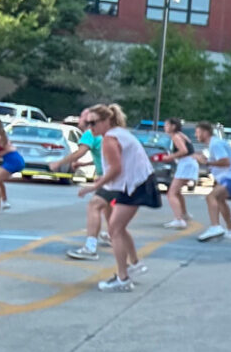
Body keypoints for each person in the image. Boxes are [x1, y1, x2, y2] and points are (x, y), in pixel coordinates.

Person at [76, 105, 158, 291]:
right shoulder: (118, 133)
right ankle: (135, 264)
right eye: (88, 123)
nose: (90, 127)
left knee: (115, 229)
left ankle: (123, 279)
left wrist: (94, 186)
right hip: (137, 182)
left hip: (135, 185)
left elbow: (116, 169)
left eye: (94, 123)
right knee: (118, 227)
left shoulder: (110, 139)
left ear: (107, 121)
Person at [61, 107, 112, 261]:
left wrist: (59, 163)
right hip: (111, 176)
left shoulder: (90, 134)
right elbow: (101, 157)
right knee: (107, 207)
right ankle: (113, 235)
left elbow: (80, 152)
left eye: (83, 116)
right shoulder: (105, 134)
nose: (80, 119)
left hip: (110, 177)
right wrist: (84, 165)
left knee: (94, 206)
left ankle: (90, 247)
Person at [195, 122, 231, 242]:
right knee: (220, 200)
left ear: (205, 132)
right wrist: (205, 159)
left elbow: (226, 162)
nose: (196, 135)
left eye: (198, 132)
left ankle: (215, 227)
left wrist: (206, 162)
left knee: (210, 197)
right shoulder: (215, 144)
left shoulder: (215, 144)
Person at [162, 117, 198, 229]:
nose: (164, 127)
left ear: (173, 126)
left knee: (171, 193)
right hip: (189, 163)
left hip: (186, 164)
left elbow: (184, 150)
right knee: (177, 192)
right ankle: (184, 214)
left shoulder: (176, 137)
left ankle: (178, 219)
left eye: (167, 125)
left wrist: (170, 157)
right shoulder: (180, 135)